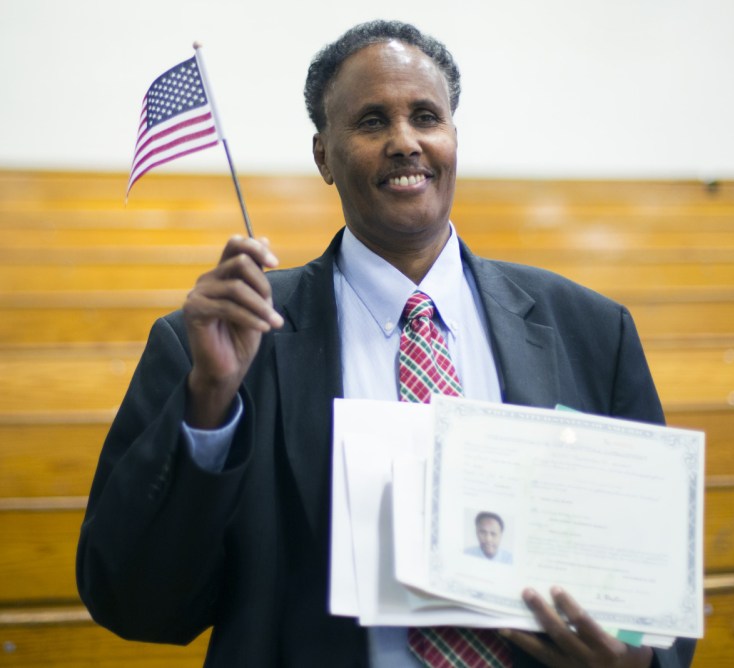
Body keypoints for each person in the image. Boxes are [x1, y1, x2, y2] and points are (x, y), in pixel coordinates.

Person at [77, 19, 696, 668]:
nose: (405, 141)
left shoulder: (594, 332)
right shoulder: (216, 345)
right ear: (324, 155)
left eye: (426, 116)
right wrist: (207, 403)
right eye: (372, 122)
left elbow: (654, 584)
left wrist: (642, 662)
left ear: (454, 138)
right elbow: (135, 603)